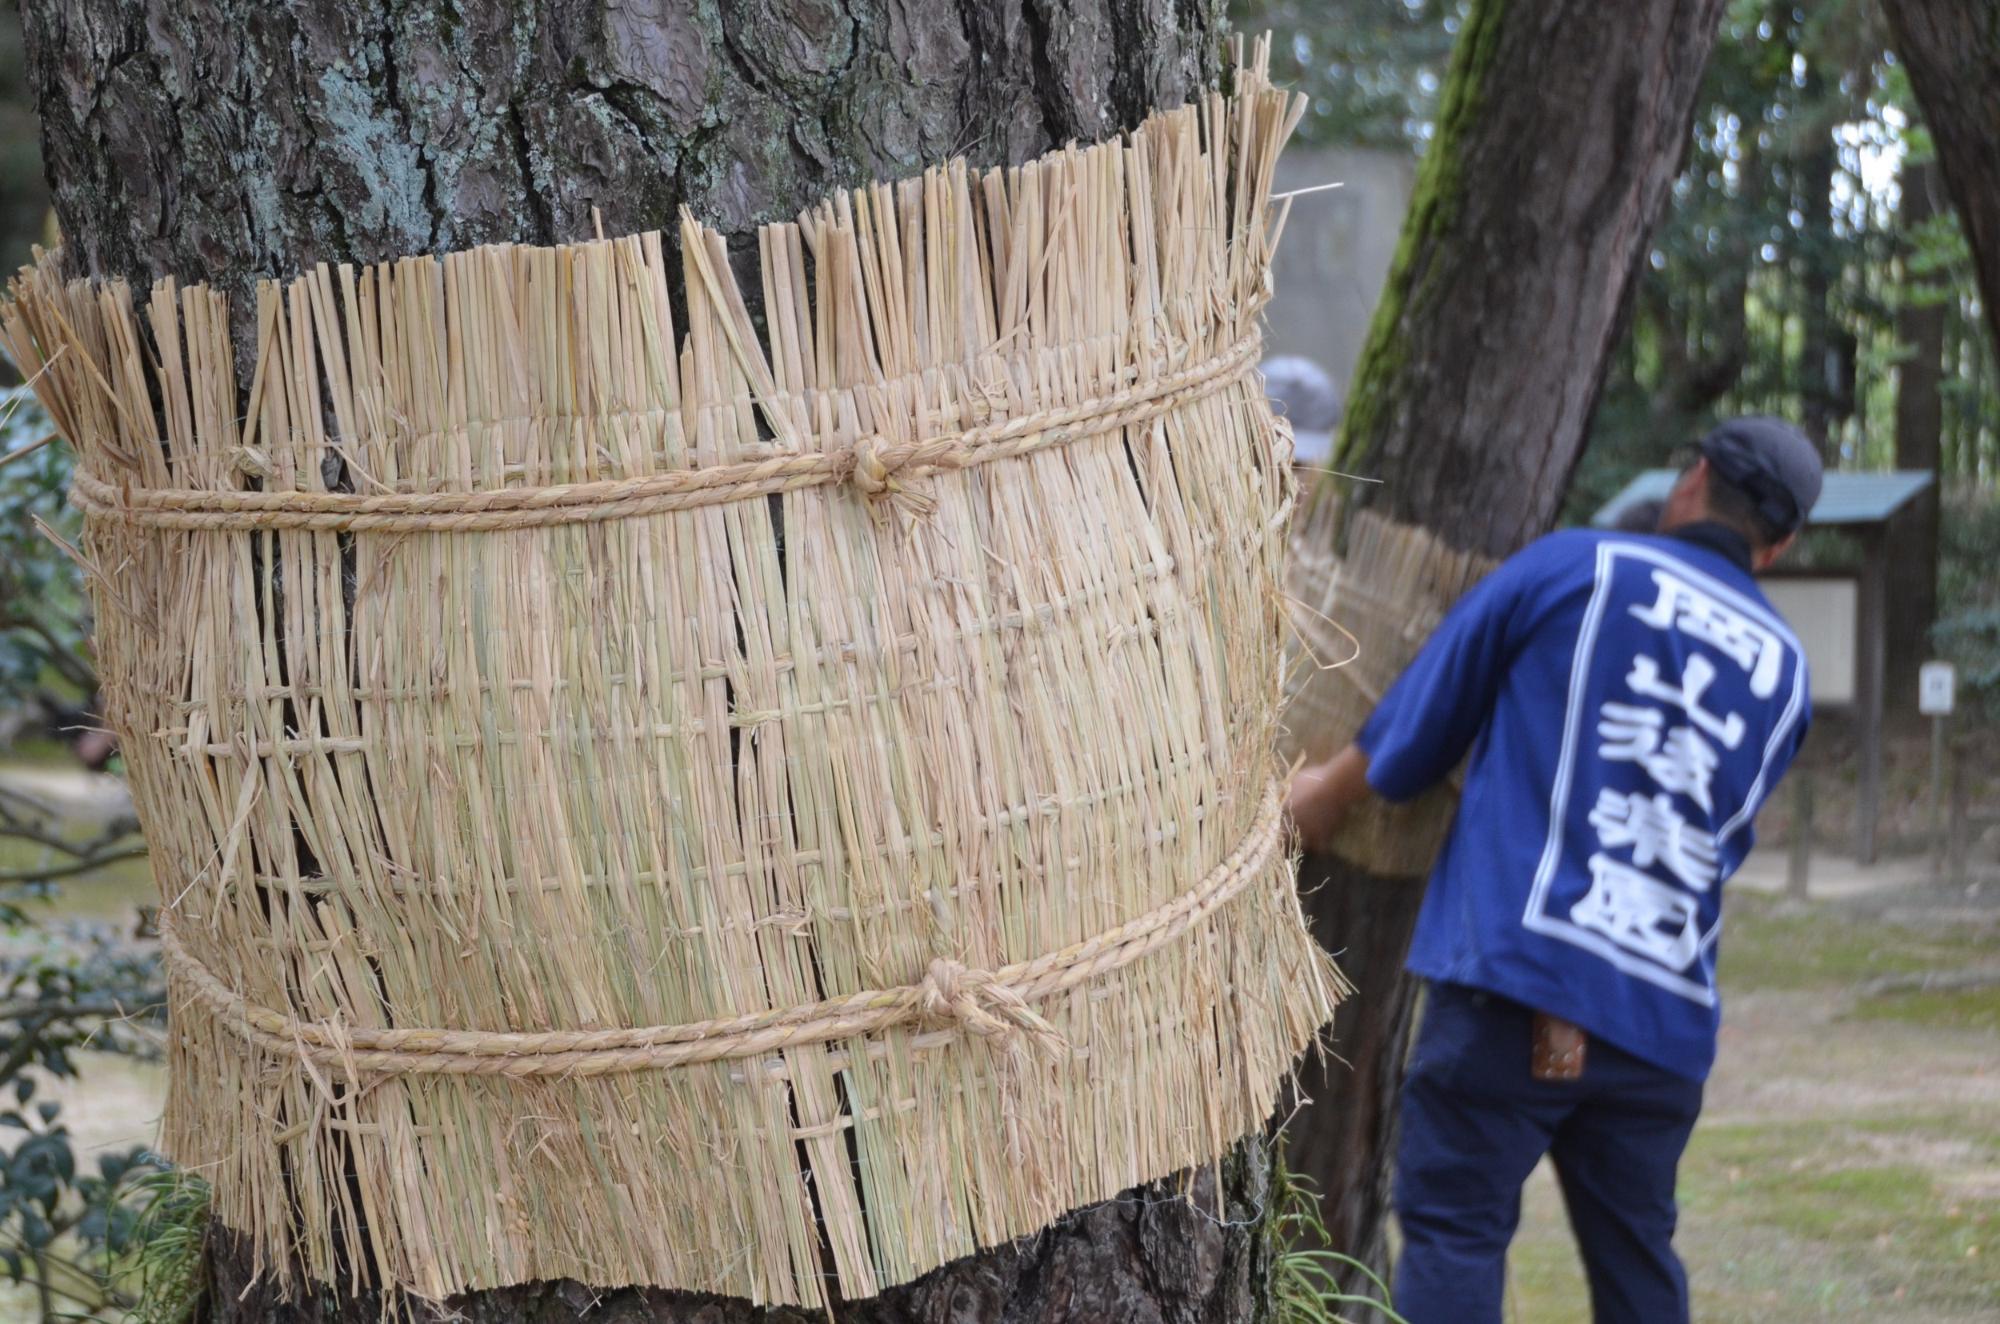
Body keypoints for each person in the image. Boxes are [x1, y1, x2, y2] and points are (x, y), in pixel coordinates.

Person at [1286, 417, 1824, 1324]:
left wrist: (1325, 793)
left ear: (1691, 480)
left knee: (1456, 1235)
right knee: (1637, 1267)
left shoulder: (1578, 568)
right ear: (1780, 545)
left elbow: (1422, 726)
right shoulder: (1786, 672)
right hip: (1661, 1017)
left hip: (1517, 977)